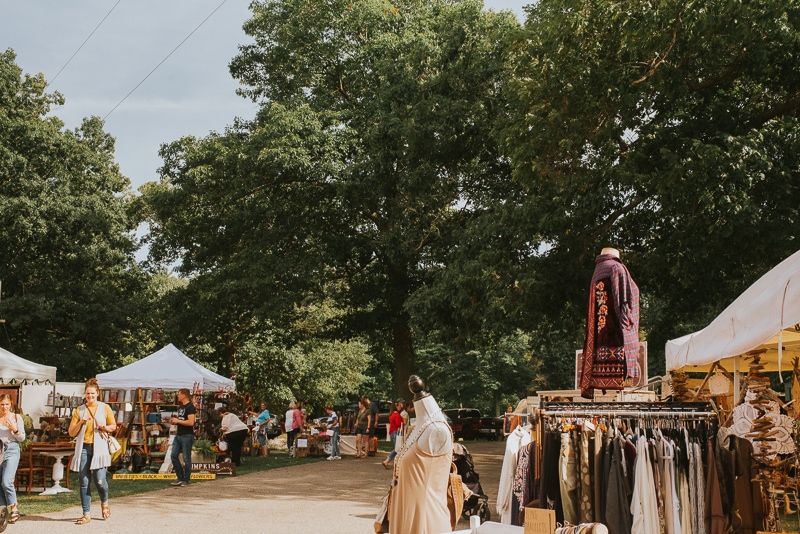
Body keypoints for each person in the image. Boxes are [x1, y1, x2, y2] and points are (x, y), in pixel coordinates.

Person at [68, 378, 116, 525]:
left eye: (92, 393)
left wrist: (104, 427)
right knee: (84, 481)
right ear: (85, 394)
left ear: (98, 393)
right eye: (88, 394)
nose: (90, 396)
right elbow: (71, 432)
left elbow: (113, 426)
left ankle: (105, 502)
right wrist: (81, 421)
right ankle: (86, 513)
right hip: (84, 448)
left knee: (100, 481)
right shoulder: (79, 410)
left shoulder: (104, 407)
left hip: (99, 448)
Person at [0, 394, 25, 524]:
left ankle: (14, 508)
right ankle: (2, 510)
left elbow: (22, 439)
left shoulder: (16, 417)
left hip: (12, 450)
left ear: (11, 404)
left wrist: (14, 429)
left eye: (6, 404)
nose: (4, 407)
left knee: (6, 481)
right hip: (0, 451)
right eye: (2, 404)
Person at [169, 388, 195, 488]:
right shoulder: (180, 407)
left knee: (186, 458)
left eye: (179, 394)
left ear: (184, 395)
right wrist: (175, 421)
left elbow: (191, 422)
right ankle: (179, 477)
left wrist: (178, 421)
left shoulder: (190, 407)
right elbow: (181, 420)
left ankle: (186, 479)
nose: (178, 396)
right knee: (173, 455)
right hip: (179, 434)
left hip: (187, 435)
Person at [382, 400, 404, 469]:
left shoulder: (391, 415)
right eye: (400, 406)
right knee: (397, 448)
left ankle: (390, 461)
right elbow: (398, 424)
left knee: (396, 448)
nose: (401, 407)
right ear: (397, 406)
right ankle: (387, 460)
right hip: (395, 432)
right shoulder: (397, 415)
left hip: (392, 432)